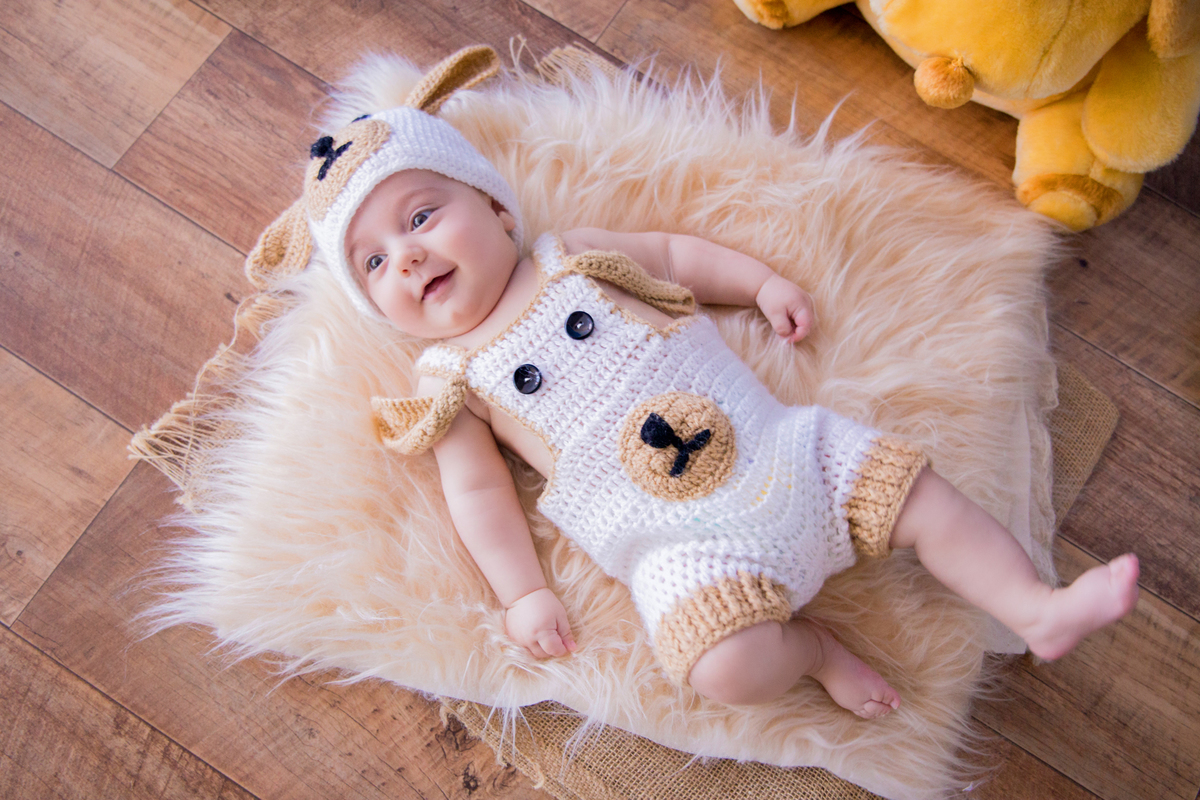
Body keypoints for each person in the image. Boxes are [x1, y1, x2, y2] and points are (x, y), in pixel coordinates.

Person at [253, 50, 1139, 719]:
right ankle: (813, 651)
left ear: (493, 207)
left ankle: (1034, 606)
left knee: (922, 496)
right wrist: (523, 592)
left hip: (787, 456)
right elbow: (477, 489)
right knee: (720, 671)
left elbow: (676, 255)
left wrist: (757, 282)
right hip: (684, 551)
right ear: (380, 307)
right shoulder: (453, 380)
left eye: (420, 215)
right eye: (374, 261)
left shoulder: (573, 259)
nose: (407, 255)